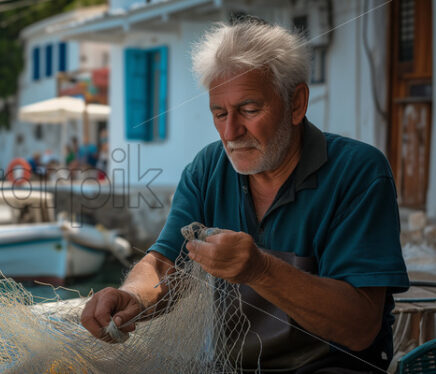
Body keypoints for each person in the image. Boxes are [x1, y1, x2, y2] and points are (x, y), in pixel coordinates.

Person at [81, 19, 409, 373]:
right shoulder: (208, 168)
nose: (230, 131)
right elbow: (163, 264)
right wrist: (130, 297)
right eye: (219, 113)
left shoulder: (358, 172)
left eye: (249, 110)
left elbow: (359, 327)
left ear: (297, 103)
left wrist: (260, 269)